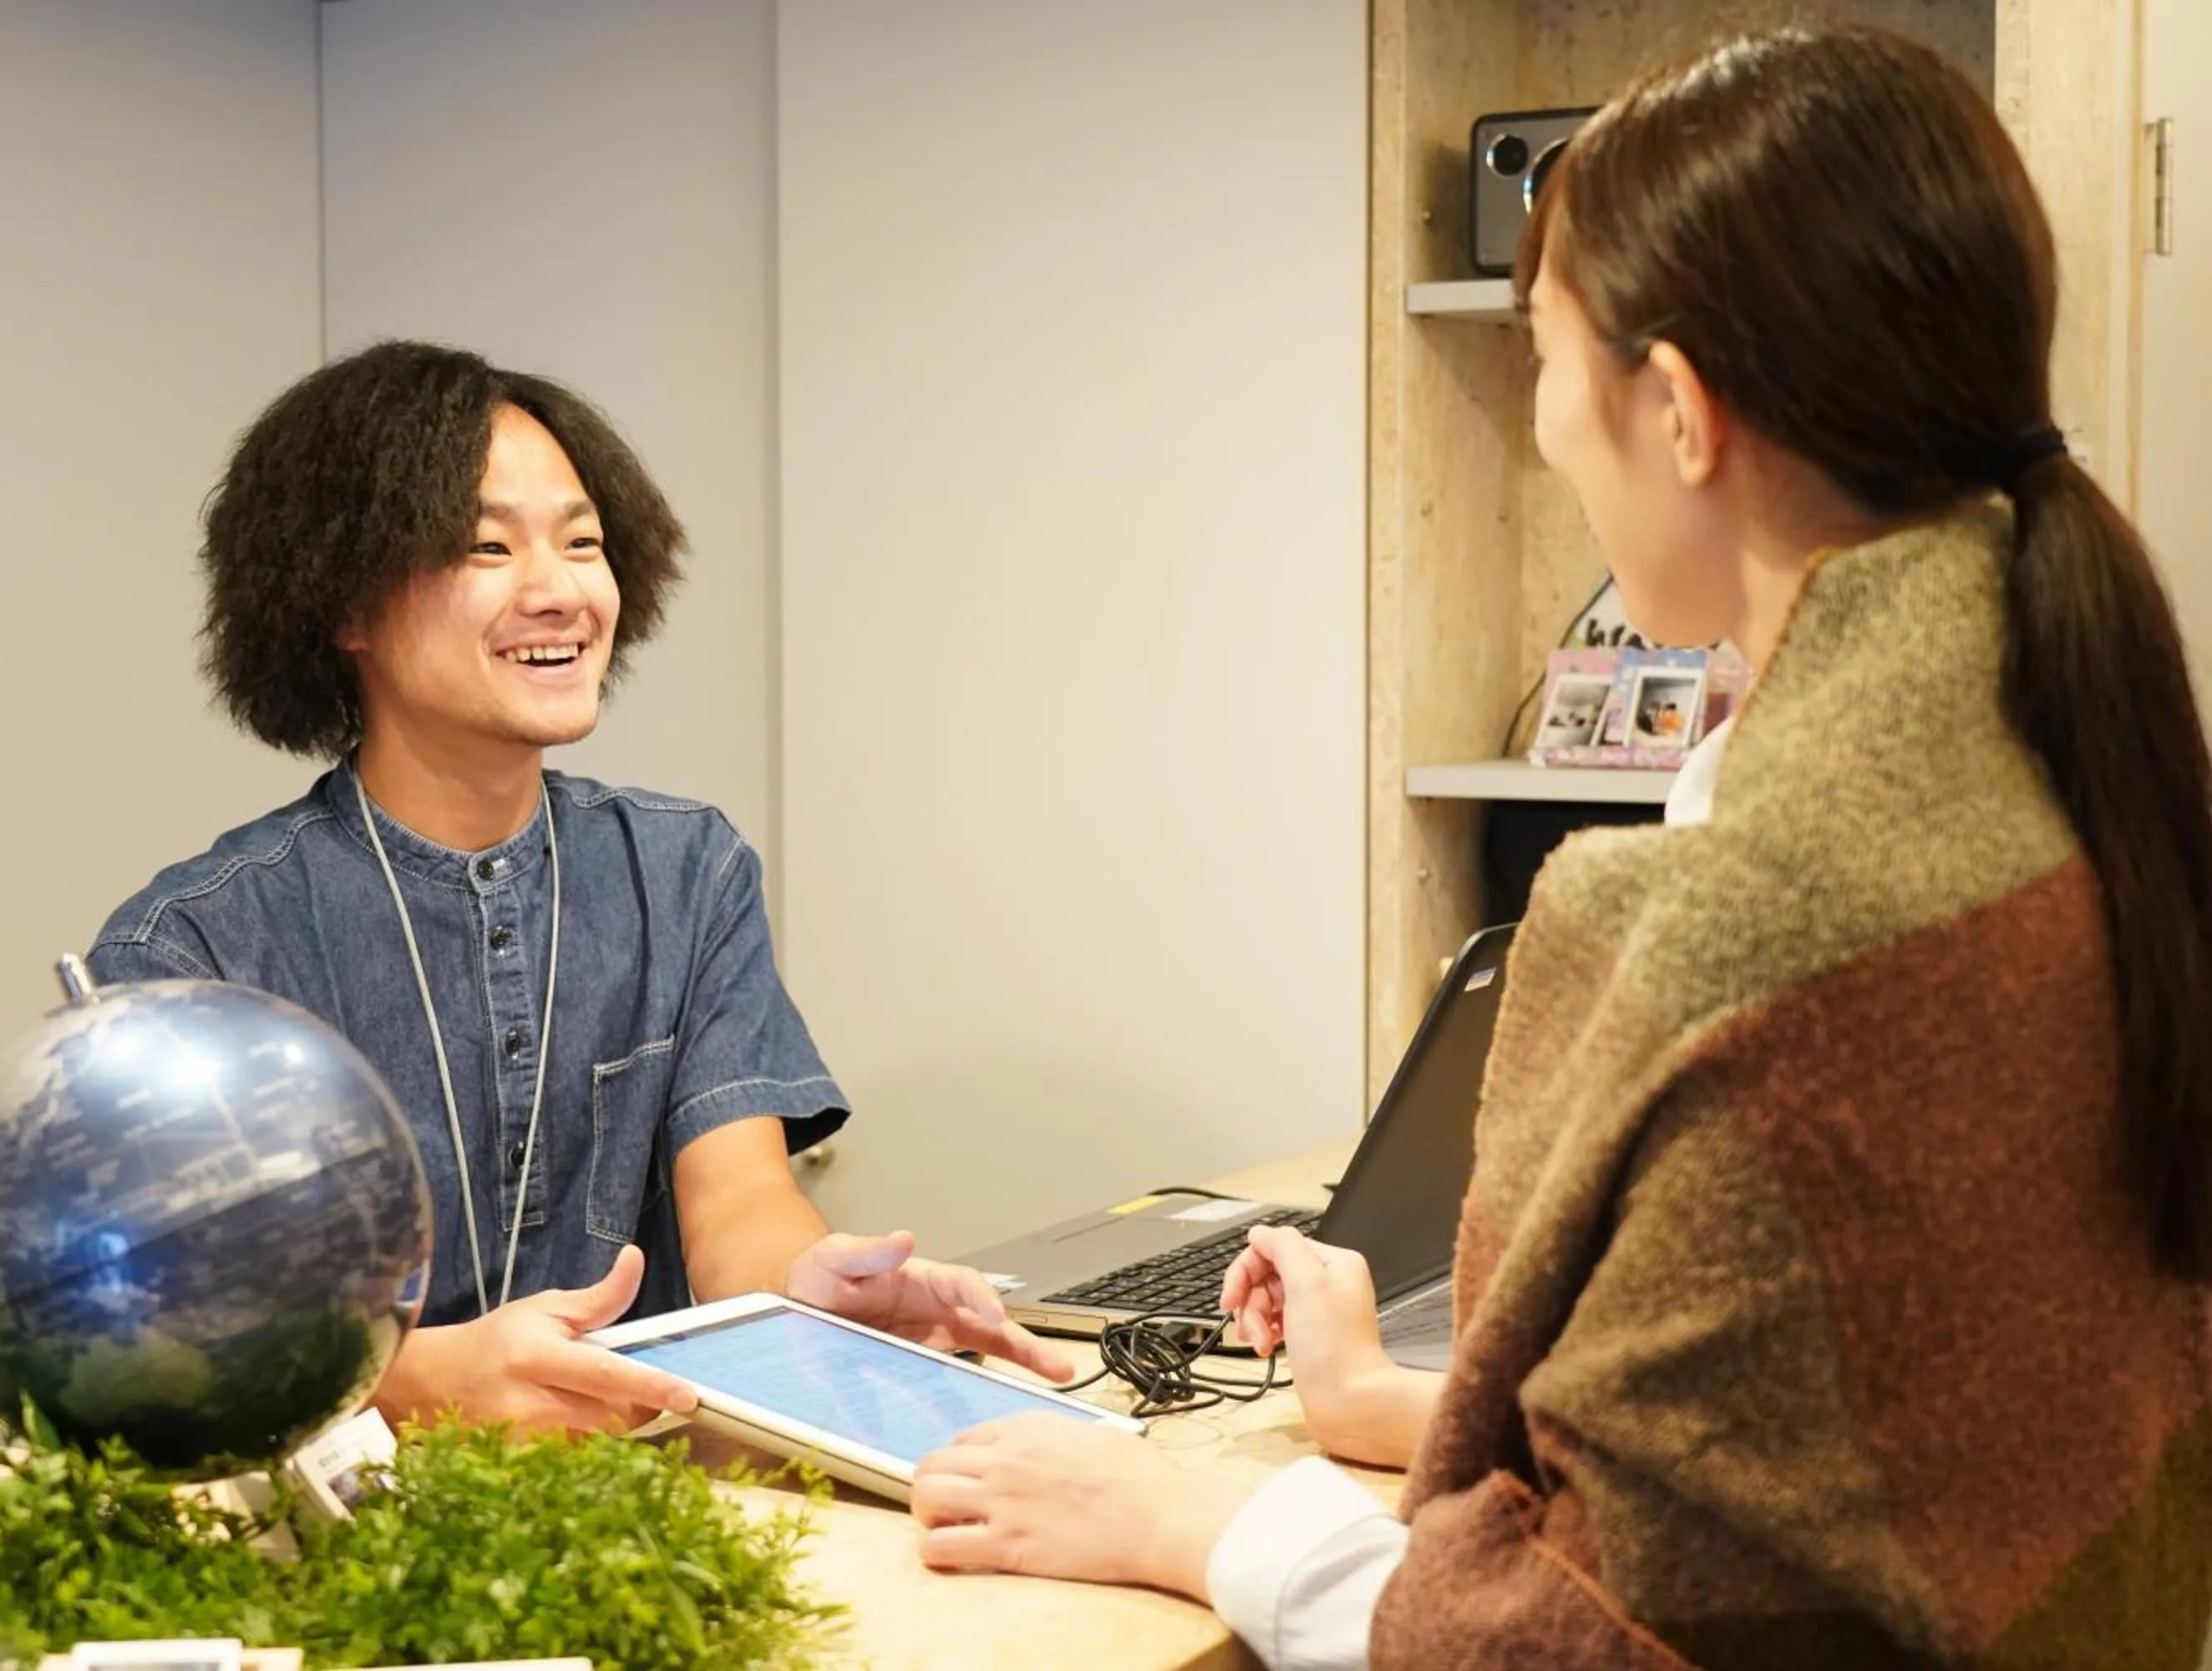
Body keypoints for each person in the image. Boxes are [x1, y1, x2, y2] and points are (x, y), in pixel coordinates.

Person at [905, 24, 2212, 1668]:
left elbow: (1584, 1638)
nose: (1540, 431)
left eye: (1542, 357)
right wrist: (1400, 1403)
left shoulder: (1752, 930)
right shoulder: (2081, 793)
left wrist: (1200, 1523)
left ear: (1676, 410)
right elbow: (1830, 1460)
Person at [88, 341, 1069, 1435]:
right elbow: (168, 1346)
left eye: (584, 543)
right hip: (335, 1551)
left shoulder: (684, 871)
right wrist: (418, 1380)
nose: (557, 592)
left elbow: (738, 1204)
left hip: (648, 1507)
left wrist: (813, 1290)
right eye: (485, 547)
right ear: (344, 603)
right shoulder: (193, 954)